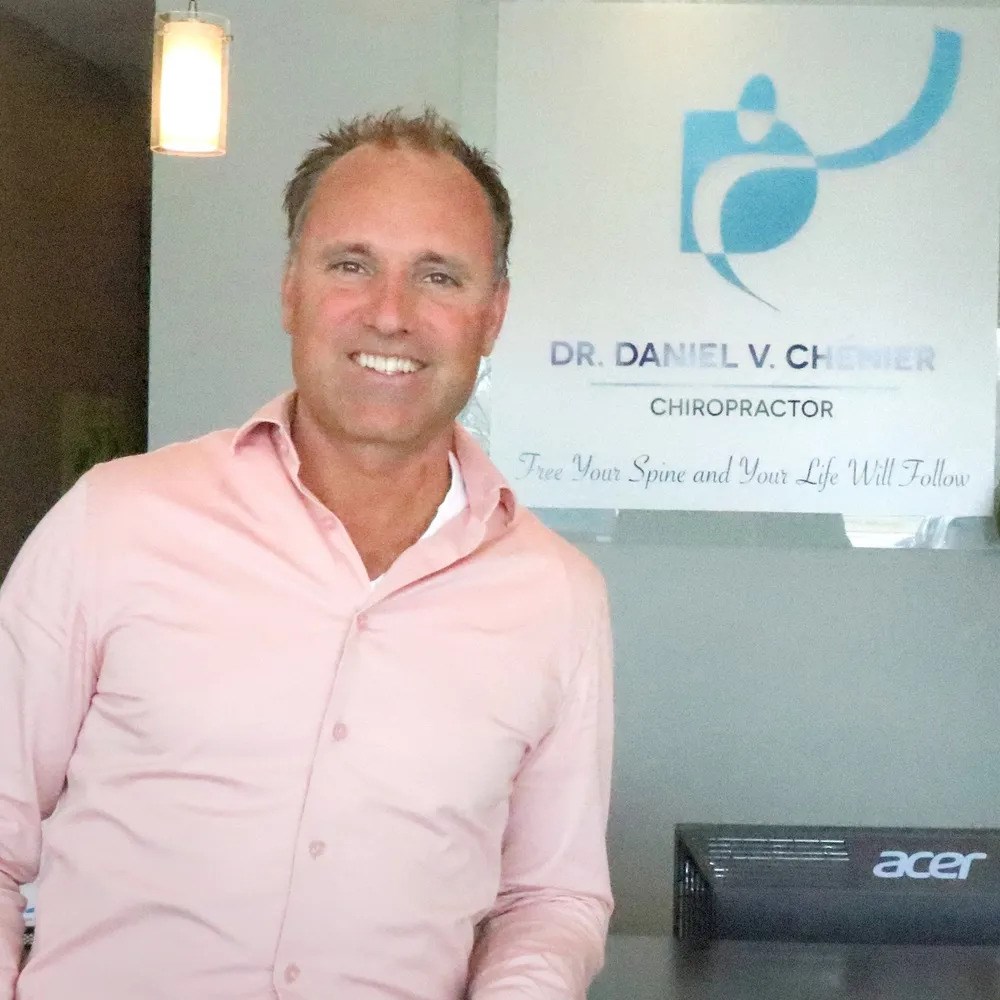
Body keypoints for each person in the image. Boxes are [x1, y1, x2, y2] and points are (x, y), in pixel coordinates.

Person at [0, 108, 614, 999]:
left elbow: (550, 897)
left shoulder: (558, 596)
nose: (391, 314)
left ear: (493, 316)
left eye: (439, 276)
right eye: (351, 265)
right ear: (290, 289)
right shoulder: (113, 523)